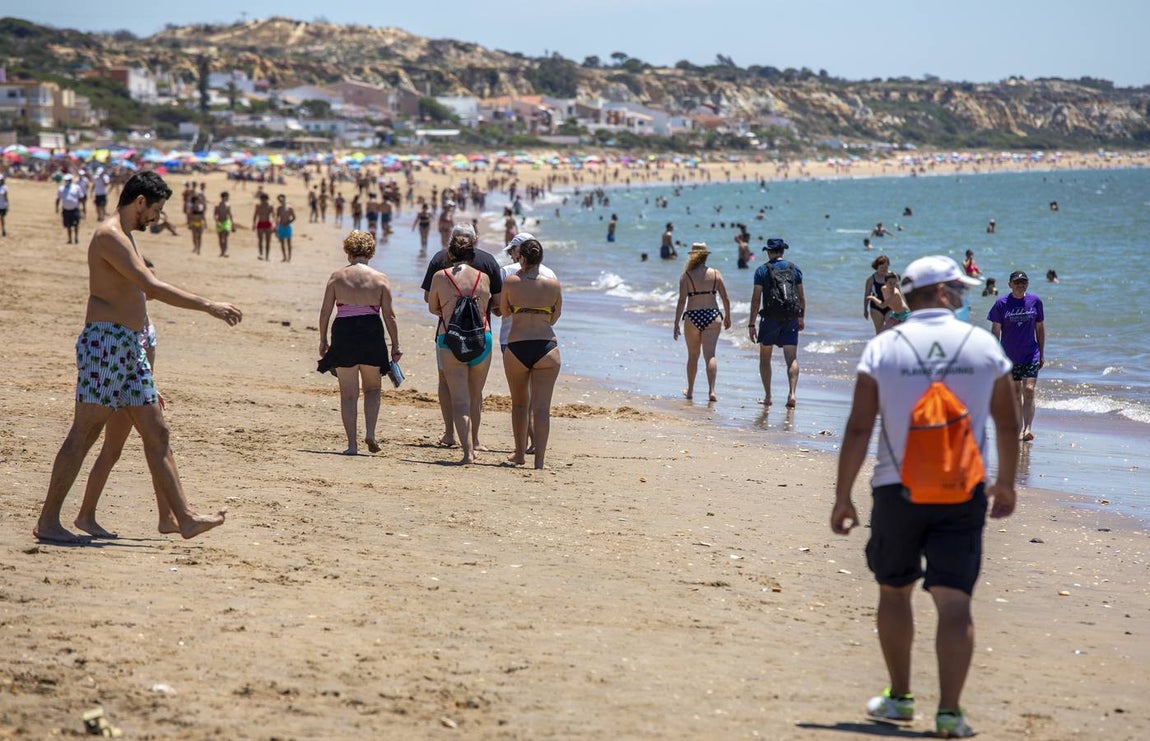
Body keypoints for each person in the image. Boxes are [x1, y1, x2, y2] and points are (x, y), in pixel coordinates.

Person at [831, 254, 1018, 739]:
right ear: (940, 294)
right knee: (955, 602)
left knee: (894, 591)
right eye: (957, 290)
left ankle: (899, 698)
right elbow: (1007, 421)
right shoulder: (981, 345)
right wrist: (1006, 483)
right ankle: (950, 714)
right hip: (963, 489)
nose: (961, 297)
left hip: (897, 487)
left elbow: (857, 427)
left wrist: (843, 495)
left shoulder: (885, 346)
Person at [33, 171, 242, 544]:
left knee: (157, 430)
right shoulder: (109, 235)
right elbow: (150, 286)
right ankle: (48, 521)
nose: (157, 219)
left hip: (129, 347)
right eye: (156, 211)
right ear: (140, 201)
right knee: (85, 433)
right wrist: (208, 305)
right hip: (106, 343)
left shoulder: (125, 236)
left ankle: (184, 518)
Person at [74, 259, 176, 537]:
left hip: (137, 391)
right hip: (120, 391)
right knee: (115, 450)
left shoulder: (147, 325)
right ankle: (86, 515)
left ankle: (167, 516)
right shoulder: (124, 320)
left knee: (152, 446)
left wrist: (152, 390)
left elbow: (146, 367)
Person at [317, 230, 402, 455]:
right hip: (371, 331)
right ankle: (371, 433)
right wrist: (395, 344)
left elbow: (325, 311)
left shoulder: (337, 277)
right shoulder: (380, 278)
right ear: (371, 252)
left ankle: (352, 445)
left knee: (348, 393)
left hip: (344, 331)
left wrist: (323, 340)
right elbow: (389, 315)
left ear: (348, 251)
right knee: (373, 388)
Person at [422, 224, 503, 451]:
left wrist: (448, 308)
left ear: (451, 243)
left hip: (448, 332)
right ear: (474, 241)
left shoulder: (440, 261)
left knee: (446, 383)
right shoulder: (487, 265)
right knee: (475, 393)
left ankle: (450, 434)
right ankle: (474, 441)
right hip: (480, 333)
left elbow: (429, 300)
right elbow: (497, 303)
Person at [499, 235, 562, 469]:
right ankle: (540, 461)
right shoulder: (553, 284)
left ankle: (519, 454)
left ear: (521, 257)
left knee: (519, 404)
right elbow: (556, 316)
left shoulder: (512, 282)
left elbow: (505, 312)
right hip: (547, 346)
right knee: (542, 408)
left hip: (517, 344)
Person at [987, 271, 1045, 442]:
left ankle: (1027, 429)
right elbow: (996, 330)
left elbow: (1040, 328)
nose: (1020, 284)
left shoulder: (1035, 301)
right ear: (1010, 284)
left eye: (1023, 282)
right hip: (1009, 356)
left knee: (1029, 390)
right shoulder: (1001, 304)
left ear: (1028, 283)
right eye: (1017, 282)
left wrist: (1041, 353)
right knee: (1015, 392)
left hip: (1030, 353)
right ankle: (1018, 426)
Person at [748, 238, 805, 408]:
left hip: (770, 319)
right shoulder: (795, 269)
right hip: (791, 318)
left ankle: (768, 396)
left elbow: (756, 299)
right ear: (783, 251)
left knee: (765, 358)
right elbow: (801, 297)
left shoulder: (762, 270)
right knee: (791, 358)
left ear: (769, 252)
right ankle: (792, 394)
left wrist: (751, 324)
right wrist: (801, 317)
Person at [673, 242, 732, 402]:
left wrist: (676, 322)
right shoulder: (715, 273)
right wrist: (727, 316)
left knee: (693, 356)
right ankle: (712, 391)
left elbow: (681, 301)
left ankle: (690, 391)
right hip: (713, 315)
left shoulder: (686, 276)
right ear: (706, 255)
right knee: (710, 355)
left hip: (692, 316)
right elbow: (725, 298)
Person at [865, 255, 893, 334]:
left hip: (889, 307)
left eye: (886, 267)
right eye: (882, 268)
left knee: (890, 330)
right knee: (879, 332)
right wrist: (865, 310)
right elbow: (867, 295)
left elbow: (898, 293)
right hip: (875, 308)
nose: (884, 270)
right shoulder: (871, 279)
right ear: (877, 267)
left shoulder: (892, 277)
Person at [56, 173, 84, 244]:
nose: (67, 181)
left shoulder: (76, 187)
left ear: (71, 180)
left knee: (76, 225)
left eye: (68, 180)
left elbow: (81, 197)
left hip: (75, 209)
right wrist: (56, 208)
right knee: (68, 225)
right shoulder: (61, 188)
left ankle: (76, 238)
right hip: (66, 210)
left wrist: (80, 206)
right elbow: (58, 199)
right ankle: (70, 239)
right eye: (66, 180)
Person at [252, 192, 274, 260]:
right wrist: (254, 223)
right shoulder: (259, 205)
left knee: (266, 241)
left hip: (266, 223)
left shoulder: (269, 205)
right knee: (261, 240)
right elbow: (255, 215)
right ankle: (262, 254)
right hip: (262, 223)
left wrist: (274, 224)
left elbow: (273, 215)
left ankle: (266, 256)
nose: (264, 201)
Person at [276, 194, 296, 262]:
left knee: (289, 242)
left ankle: (289, 257)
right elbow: (277, 218)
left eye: (281, 199)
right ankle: (284, 257)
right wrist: (276, 227)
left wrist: (288, 222)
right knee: (282, 243)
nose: (280, 201)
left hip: (288, 226)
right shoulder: (279, 208)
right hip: (281, 226)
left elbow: (294, 217)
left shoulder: (290, 208)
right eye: (279, 200)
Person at [188, 185, 207, 255]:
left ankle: (199, 249)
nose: (198, 202)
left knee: (199, 237)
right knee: (194, 236)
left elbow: (203, 216)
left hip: (200, 223)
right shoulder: (192, 208)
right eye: (197, 201)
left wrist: (205, 224)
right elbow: (190, 216)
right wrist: (189, 224)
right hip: (194, 223)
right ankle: (195, 246)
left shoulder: (200, 207)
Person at [214, 191, 233, 257]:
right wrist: (217, 222)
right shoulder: (217, 205)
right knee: (220, 238)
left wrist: (232, 224)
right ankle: (222, 251)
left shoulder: (228, 205)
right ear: (224, 197)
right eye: (227, 196)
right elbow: (215, 214)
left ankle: (224, 251)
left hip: (226, 222)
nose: (228, 198)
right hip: (219, 222)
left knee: (224, 237)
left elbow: (230, 215)